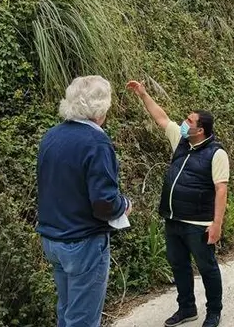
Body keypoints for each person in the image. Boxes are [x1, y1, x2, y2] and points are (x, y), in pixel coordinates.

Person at [126, 80, 229, 327]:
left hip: (199, 224)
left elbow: (221, 189)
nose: (184, 124)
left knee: (207, 268)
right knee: (179, 265)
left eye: (189, 121)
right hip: (173, 220)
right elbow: (161, 119)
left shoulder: (216, 153)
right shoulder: (181, 142)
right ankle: (187, 309)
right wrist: (143, 94)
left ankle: (214, 312)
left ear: (201, 129)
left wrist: (217, 224)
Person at [36, 75, 132, 327]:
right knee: (83, 320)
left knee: (67, 311)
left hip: (53, 238)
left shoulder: (51, 136)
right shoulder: (96, 141)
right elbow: (104, 204)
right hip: (83, 242)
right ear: (101, 108)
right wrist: (124, 205)